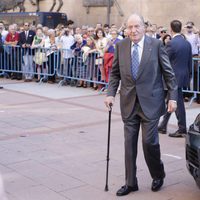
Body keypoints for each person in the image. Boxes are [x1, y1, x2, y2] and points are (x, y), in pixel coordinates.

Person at [104, 13, 178, 196]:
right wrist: (110, 94)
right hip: (129, 102)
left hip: (151, 103)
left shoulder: (156, 45)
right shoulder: (120, 46)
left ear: (144, 27)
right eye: (129, 27)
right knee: (129, 144)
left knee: (149, 143)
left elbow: (168, 73)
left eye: (136, 26)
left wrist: (173, 97)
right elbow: (114, 74)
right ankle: (131, 183)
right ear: (126, 29)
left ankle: (158, 174)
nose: (133, 30)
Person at [158, 20, 192, 137]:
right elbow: (189, 62)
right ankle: (163, 125)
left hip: (173, 77)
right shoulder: (186, 43)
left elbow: (164, 60)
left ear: (171, 29)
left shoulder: (171, 43)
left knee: (177, 104)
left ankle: (182, 128)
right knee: (172, 101)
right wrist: (189, 75)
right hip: (183, 76)